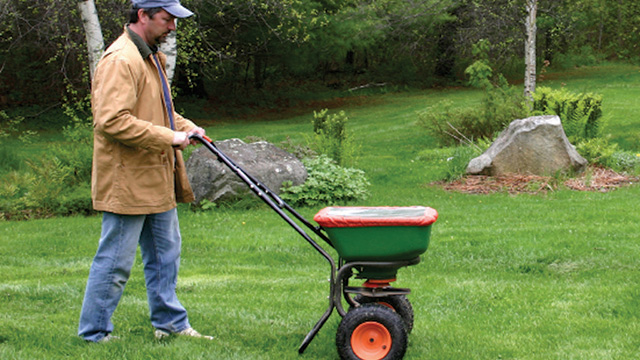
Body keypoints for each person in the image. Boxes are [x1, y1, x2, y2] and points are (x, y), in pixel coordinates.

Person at [78, 0, 211, 343]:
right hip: (127, 180)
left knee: (166, 256)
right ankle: (94, 334)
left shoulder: (150, 55)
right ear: (143, 15)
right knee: (115, 262)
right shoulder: (121, 60)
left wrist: (187, 128)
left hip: (156, 177)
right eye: (167, 19)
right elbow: (112, 121)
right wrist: (171, 137)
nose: (172, 27)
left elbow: (160, 111)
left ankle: (170, 324)